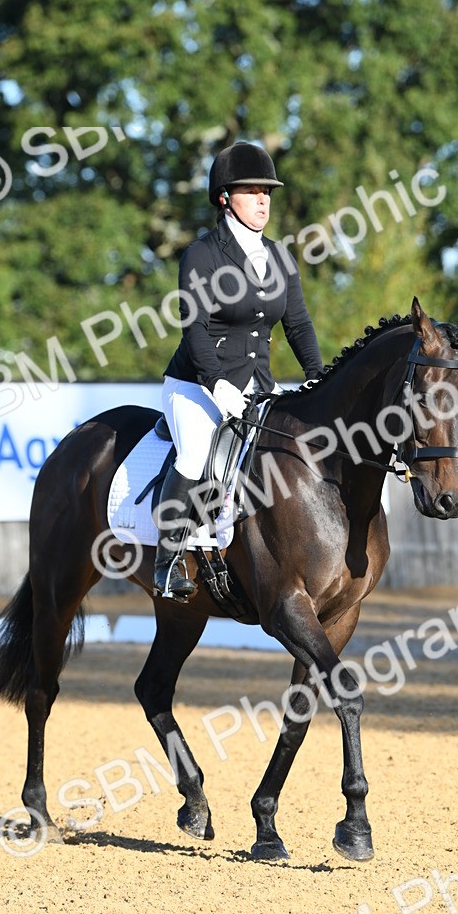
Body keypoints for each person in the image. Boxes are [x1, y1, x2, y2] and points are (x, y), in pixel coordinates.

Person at [154, 140, 324, 600]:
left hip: (258, 389)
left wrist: (317, 373)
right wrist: (217, 385)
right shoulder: (202, 255)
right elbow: (195, 329)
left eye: (267, 191)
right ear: (225, 196)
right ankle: (167, 564)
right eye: (252, 191)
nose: (264, 200)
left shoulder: (280, 257)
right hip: (195, 385)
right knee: (194, 455)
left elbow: (299, 323)